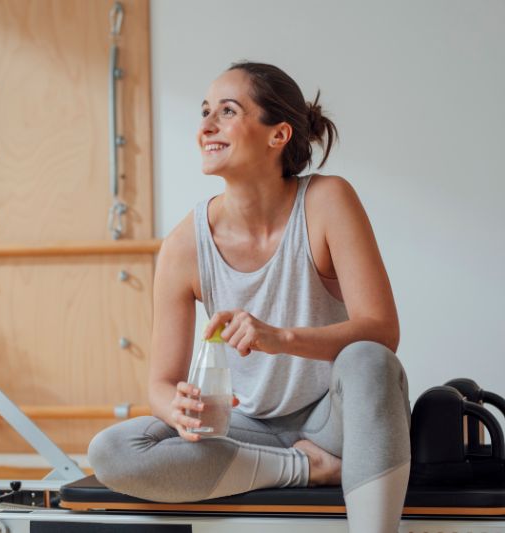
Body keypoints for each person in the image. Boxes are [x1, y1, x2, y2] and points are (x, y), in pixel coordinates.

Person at [88, 61, 412, 533]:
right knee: (112, 451)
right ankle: (308, 469)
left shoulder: (327, 202)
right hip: (246, 431)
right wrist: (176, 408)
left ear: (277, 135)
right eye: (204, 112)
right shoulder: (184, 245)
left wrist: (279, 337)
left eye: (227, 111)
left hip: (335, 421)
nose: (206, 126)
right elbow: (160, 383)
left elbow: (382, 332)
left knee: (369, 361)